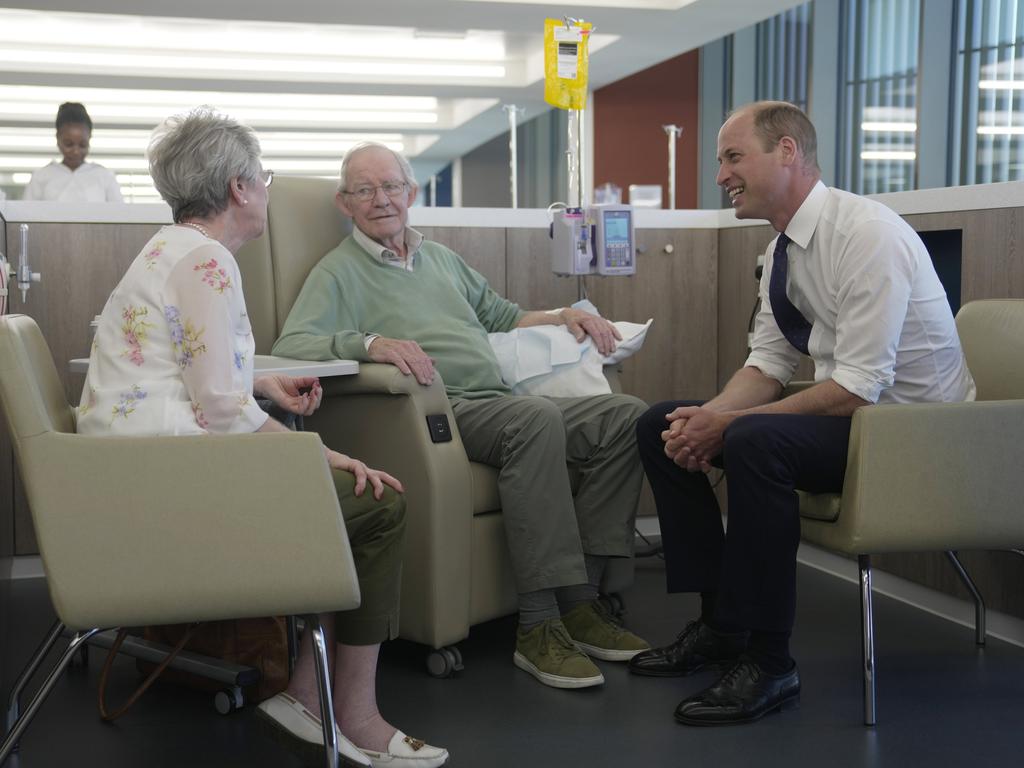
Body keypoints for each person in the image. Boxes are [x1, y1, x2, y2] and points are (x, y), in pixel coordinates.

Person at [77, 109, 446, 768]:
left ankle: (308, 693)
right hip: (169, 487)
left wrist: (259, 388)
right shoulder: (208, 262)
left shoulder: (171, 250)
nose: (268, 192)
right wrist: (321, 452)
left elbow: (187, 376)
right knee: (379, 503)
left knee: (345, 497)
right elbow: (218, 410)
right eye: (264, 178)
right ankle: (349, 711)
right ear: (240, 188)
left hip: (127, 478)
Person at [629, 101, 976, 726]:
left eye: (733, 157)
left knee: (759, 439)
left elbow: (860, 385)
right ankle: (722, 627)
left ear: (787, 152)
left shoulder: (866, 234)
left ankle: (770, 663)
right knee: (663, 423)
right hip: (854, 427)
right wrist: (704, 420)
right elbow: (768, 363)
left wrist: (731, 427)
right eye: (720, 161)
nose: (720, 176)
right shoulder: (784, 250)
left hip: (917, 440)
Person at [272, 141, 650, 690]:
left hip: (500, 401)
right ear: (344, 203)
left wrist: (566, 314)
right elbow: (292, 342)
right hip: (444, 413)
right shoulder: (338, 273)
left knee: (626, 417)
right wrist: (370, 342)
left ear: (412, 193)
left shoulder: (441, 258)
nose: (381, 200)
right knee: (537, 419)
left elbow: (501, 315)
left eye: (392, 186)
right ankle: (539, 628)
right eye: (365, 190)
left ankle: (581, 603)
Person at [23, 102, 123, 203]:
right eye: (69, 144)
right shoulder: (41, 177)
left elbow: (119, 214)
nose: (76, 151)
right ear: (58, 138)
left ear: (89, 139)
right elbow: (26, 215)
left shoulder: (104, 176)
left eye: (82, 145)